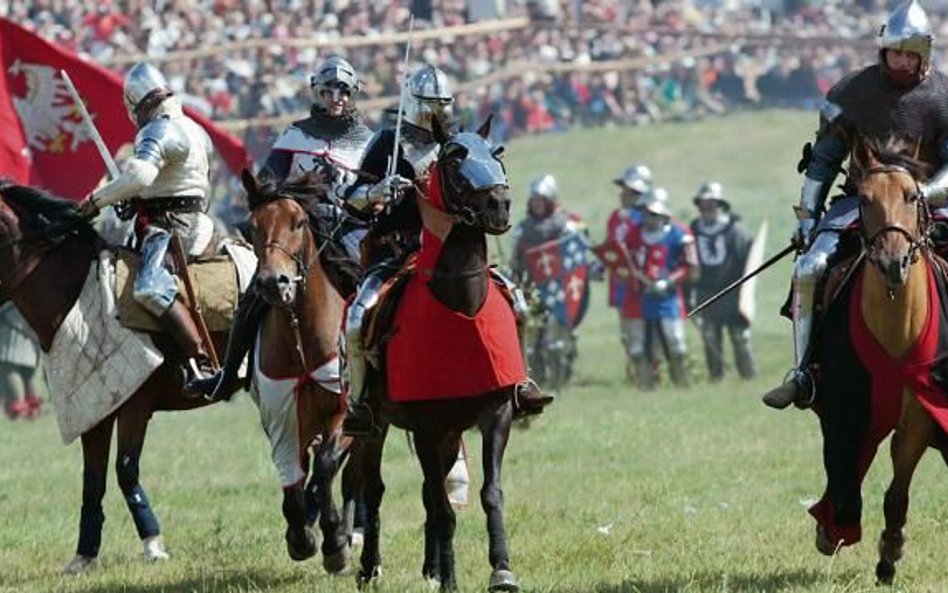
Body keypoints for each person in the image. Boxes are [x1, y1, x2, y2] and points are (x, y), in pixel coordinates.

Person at [341, 65, 551, 437]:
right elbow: (350, 198)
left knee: (514, 301)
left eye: (443, 104)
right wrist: (378, 192)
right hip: (400, 250)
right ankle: (361, 403)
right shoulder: (388, 144)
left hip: (454, 254)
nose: (437, 112)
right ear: (412, 102)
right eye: (429, 104)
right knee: (359, 318)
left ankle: (518, 383)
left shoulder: (461, 146)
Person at [762, 0, 948, 409]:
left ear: (923, 56)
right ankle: (803, 373)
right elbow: (824, 159)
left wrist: (922, 194)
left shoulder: (942, 96)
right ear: (883, 50)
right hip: (860, 201)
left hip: (929, 201)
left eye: (909, 54)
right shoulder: (853, 91)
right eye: (895, 52)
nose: (900, 61)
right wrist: (808, 217)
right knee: (810, 267)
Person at [188, 55, 374, 400]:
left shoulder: (367, 140)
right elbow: (269, 184)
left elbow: (373, 188)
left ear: (353, 93)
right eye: (329, 90)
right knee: (256, 294)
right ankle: (227, 377)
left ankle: (380, 375)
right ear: (316, 92)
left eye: (344, 90)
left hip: (349, 226)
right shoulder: (296, 135)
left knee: (374, 287)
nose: (337, 97)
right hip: (299, 227)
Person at [79, 61, 216, 386]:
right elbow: (187, 183)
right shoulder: (196, 129)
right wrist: (132, 198)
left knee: (148, 287)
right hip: (192, 218)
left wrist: (96, 201)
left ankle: (199, 360)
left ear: (137, 104)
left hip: (171, 228)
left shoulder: (160, 129)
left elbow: (141, 175)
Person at [622, 188, 699, 389]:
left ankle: (682, 385)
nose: (648, 218)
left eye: (653, 213)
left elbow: (690, 267)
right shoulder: (633, 233)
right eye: (645, 213)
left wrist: (670, 281)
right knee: (638, 349)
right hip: (639, 297)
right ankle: (646, 387)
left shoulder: (678, 233)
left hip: (668, 297)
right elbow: (623, 258)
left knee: (677, 346)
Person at [689, 181, 756, 382]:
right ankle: (716, 377)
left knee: (740, 337)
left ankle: (748, 377)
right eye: (703, 204)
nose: (707, 208)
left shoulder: (735, 230)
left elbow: (749, 262)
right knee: (710, 336)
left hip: (733, 292)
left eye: (712, 204)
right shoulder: (693, 231)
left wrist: (746, 291)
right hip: (706, 292)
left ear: (721, 205)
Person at [606, 164, 652, 380]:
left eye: (630, 190)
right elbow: (611, 246)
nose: (624, 193)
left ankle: (652, 372)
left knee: (647, 332)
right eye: (624, 189)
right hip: (620, 282)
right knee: (626, 333)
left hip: (643, 283)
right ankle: (633, 372)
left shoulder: (648, 217)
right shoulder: (615, 217)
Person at [0, 303, 42, 421]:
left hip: (10, 318)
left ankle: (18, 411)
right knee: (27, 368)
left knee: (9, 366)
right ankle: (32, 411)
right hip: (28, 316)